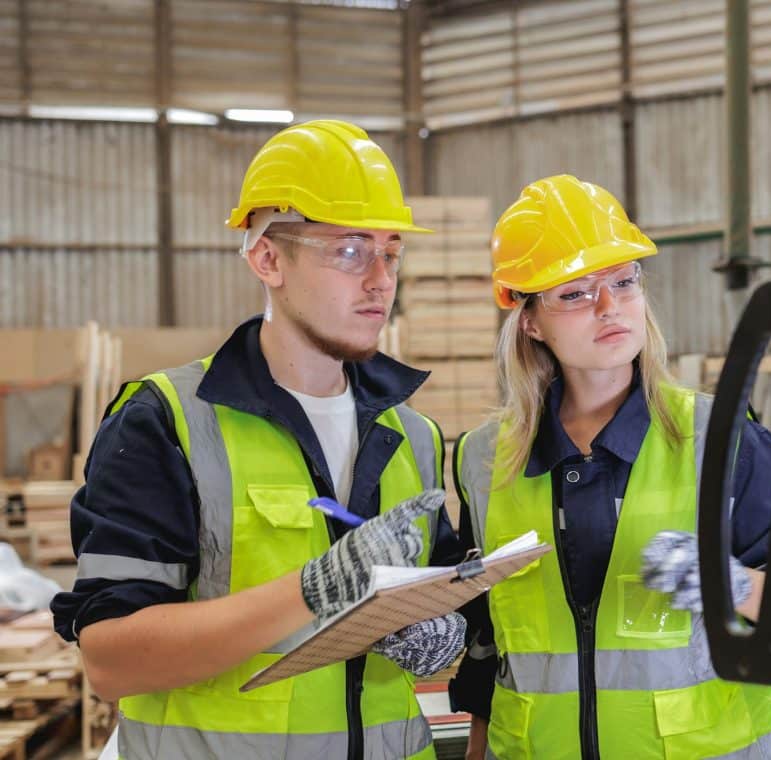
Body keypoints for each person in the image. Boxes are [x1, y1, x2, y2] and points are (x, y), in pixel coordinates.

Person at [51, 120, 467, 760]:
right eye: (351, 250)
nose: (381, 280)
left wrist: (438, 632)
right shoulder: (167, 422)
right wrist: (310, 593)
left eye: (391, 251)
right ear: (267, 257)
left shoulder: (412, 435)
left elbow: (435, 606)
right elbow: (112, 661)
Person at [448, 174, 771, 759]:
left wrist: (734, 586)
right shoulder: (484, 458)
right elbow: (489, 635)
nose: (609, 307)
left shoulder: (722, 439)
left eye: (623, 282)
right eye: (575, 293)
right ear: (530, 320)